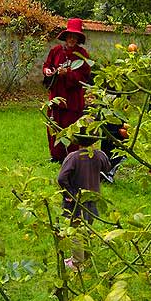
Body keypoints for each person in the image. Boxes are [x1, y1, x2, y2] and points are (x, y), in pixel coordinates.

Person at [58, 133, 111, 270]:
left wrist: (70, 192)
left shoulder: (73, 157)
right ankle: (86, 256)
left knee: (76, 230)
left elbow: (61, 178)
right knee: (87, 227)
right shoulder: (100, 155)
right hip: (93, 197)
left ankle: (77, 262)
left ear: (77, 140)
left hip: (76, 200)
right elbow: (107, 168)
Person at [43, 18, 91, 163]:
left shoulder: (82, 55)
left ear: (78, 39)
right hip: (56, 96)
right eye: (70, 36)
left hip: (72, 99)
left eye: (75, 37)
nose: (72, 39)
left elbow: (84, 77)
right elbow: (47, 65)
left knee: (71, 127)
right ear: (66, 37)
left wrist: (68, 73)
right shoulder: (56, 51)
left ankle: (71, 158)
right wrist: (47, 71)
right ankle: (56, 156)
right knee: (54, 125)